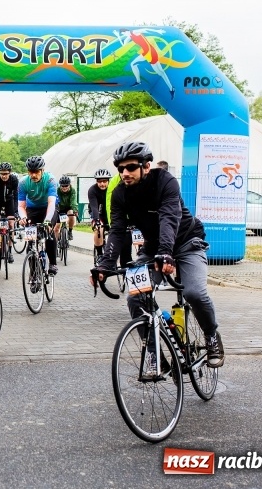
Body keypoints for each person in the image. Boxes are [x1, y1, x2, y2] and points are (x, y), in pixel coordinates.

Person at [93, 141, 225, 369]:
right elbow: (116, 231)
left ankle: (212, 336)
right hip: (154, 248)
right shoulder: (119, 194)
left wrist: (166, 253)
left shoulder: (165, 181)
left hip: (186, 242)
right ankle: (156, 355)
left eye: (131, 167)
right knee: (136, 297)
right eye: (120, 168)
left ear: (146, 166)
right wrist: (104, 264)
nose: (125, 173)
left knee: (194, 292)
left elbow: (169, 217)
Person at [17, 156, 59, 275]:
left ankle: (53, 263)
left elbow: (51, 202)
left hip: (48, 208)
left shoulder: (50, 180)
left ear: (42, 170)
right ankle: (33, 273)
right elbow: (21, 206)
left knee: (49, 231)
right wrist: (23, 217)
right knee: (30, 241)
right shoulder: (23, 182)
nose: (33, 175)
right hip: (32, 209)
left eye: (36, 172)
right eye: (31, 172)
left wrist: (47, 220)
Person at [0, 162, 20, 262]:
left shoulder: (14, 179)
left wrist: (15, 211)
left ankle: (10, 251)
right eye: (2, 174)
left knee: (11, 224)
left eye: (6, 174)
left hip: (9, 201)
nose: (4, 176)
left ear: (9, 173)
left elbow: (16, 196)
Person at [105, 173, 134, 268]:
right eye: (121, 169)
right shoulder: (115, 184)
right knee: (125, 246)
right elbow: (110, 206)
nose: (125, 173)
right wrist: (112, 224)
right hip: (123, 218)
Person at [88, 168, 112, 261]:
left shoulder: (113, 188)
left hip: (109, 213)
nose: (102, 184)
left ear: (108, 181)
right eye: (100, 181)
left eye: (105, 181)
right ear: (96, 181)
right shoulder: (92, 190)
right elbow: (94, 207)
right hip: (97, 212)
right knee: (99, 229)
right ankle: (99, 254)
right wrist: (96, 221)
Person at [54, 175, 77, 242]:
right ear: (60, 185)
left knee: (71, 215)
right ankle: (55, 243)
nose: (64, 188)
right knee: (57, 227)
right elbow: (55, 200)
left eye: (66, 186)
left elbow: (73, 201)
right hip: (59, 207)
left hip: (68, 206)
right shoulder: (57, 190)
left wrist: (75, 210)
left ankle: (70, 231)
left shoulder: (72, 190)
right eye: (62, 186)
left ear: (69, 185)